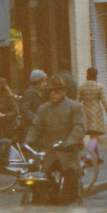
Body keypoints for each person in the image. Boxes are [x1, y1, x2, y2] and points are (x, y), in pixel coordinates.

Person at [25, 75, 86, 204]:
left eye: (57, 91)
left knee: (69, 184)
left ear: (64, 91)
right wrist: (28, 141)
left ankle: (67, 204)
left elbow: (79, 127)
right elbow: (36, 127)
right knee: (40, 181)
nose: (53, 94)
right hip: (49, 153)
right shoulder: (44, 109)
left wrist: (70, 142)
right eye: (50, 91)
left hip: (67, 153)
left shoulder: (74, 107)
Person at [77, 66, 107, 164]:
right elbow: (105, 102)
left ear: (87, 75)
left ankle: (99, 157)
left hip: (85, 112)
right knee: (95, 136)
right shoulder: (99, 86)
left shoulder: (81, 87)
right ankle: (88, 157)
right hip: (96, 113)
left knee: (93, 136)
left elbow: (77, 102)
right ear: (96, 75)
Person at [18, 70, 48, 140]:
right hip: (30, 129)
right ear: (38, 82)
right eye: (44, 81)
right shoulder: (30, 93)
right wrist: (36, 119)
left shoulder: (38, 93)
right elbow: (24, 109)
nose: (46, 84)